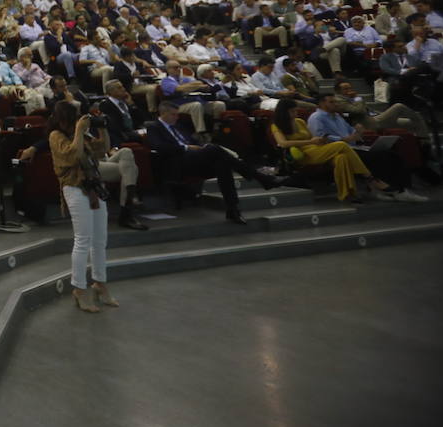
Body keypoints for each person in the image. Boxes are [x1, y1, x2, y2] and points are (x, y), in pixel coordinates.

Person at [145, 103, 279, 223]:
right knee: (215, 150)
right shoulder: (153, 127)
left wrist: (199, 146)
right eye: (173, 115)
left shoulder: (179, 126)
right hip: (177, 162)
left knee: (222, 164)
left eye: (177, 114)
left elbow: (195, 142)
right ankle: (261, 178)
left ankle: (232, 209)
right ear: (163, 113)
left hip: (196, 159)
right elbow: (159, 147)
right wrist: (186, 148)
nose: (176, 117)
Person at [48, 100, 117, 312]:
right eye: (76, 116)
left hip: (94, 187)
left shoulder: (83, 135)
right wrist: (79, 131)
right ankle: (78, 288)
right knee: (83, 240)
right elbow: (72, 156)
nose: (81, 119)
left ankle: (100, 283)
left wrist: (102, 128)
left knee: (100, 240)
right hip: (75, 188)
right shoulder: (56, 136)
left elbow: (102, 149)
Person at [269, 99, 395, 203]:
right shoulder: (277, 125)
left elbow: (311, 138)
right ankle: (369, 177)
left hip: (316, 149)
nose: (295, 113)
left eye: (296, 110)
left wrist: (318, 140)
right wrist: (310, 142)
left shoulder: (300, 122)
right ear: (283, 112)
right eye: (292, 111)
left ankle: (347, 194)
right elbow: (283, 143)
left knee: (342, 158)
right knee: (341, 145)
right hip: (302, 154)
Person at [306, 95, 424, 201]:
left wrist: (358, 132)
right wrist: (344, 139)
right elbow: (320, 138)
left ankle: (402, 188)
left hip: (353, 147)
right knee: (379, 157)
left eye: (335, 102)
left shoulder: (337, 116)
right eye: (331, 102)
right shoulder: (316, 118)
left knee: (393, 155)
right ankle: (394, 190)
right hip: (337, 150)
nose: (335, 104)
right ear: (321, 104)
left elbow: (350, 131)